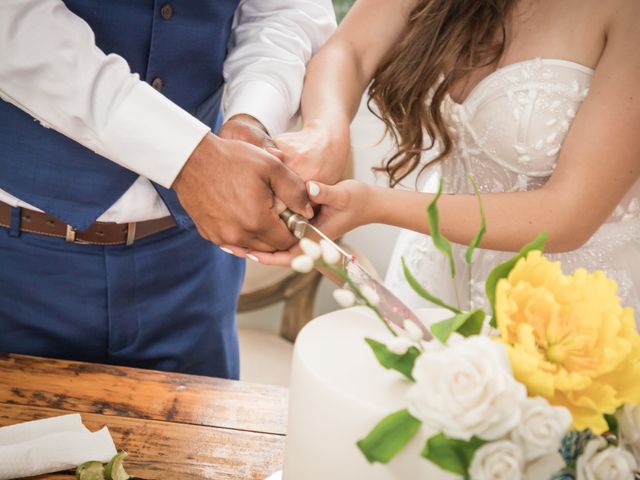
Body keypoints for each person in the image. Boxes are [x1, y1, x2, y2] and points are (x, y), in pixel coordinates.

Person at [0, 0, 335, 377]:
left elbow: (284, 9)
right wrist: (190, 159)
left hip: (193, 266)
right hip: (18, 269)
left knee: (206, 434)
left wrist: (253, 116)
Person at [244, 0, 640, 314]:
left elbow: (569, 214)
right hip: (433, 279)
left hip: (576, 305)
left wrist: (374, 204)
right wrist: (325, 133)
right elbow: (351, 50)